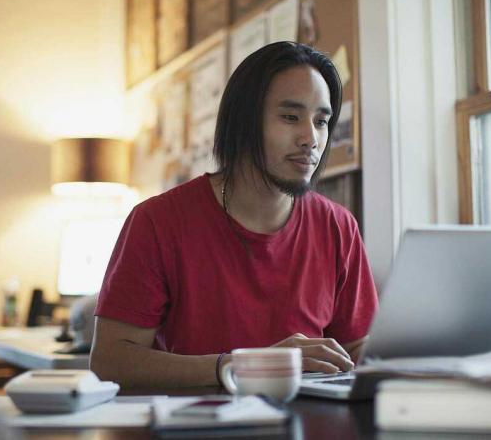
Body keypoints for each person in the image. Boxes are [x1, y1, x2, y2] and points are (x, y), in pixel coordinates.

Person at [90, 42, 378, 388]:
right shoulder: (157, 222)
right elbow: (110, 362)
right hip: (195, 424)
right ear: (244, 121)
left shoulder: (338, 226)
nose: (311, 138)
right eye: (290, 117)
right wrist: (244, 366)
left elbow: (356, 348)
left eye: (321, 121)